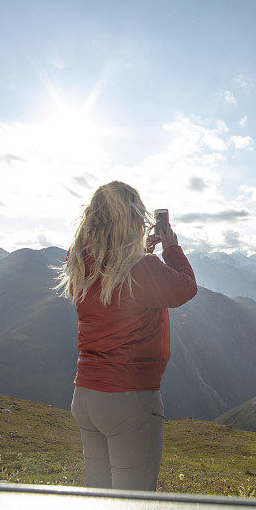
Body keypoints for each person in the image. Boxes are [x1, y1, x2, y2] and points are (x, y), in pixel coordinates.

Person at [56, 181, 197, 490]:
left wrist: (140, 247)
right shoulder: (143, 269)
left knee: (101, 496)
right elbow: (186, 288)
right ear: (135, 218)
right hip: (129, 399)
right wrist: (171, 247)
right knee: (134, 502)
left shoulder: (80, 262)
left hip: (85, 396)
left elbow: (114, 263)